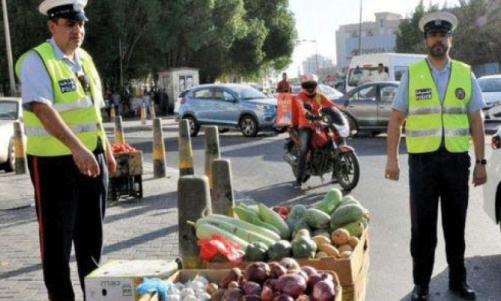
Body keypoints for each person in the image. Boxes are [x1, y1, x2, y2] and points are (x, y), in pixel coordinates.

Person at [15, 1, 116, 300]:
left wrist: (105, 149)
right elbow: (42, 109)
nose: (78, 30)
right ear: (52, 25)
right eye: (70, 24)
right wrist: (77, 148)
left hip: (91, 160)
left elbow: (92, 113)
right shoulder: (37, 60)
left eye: (81, 24)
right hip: (53, 165)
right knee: (57, 247)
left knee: (91, 242)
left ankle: (95, 296)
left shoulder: (84, 59)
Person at [385, 11, 485, 301]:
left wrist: (480, 162)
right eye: (433, 35)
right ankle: (422, 286)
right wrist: (391, 158)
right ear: (426, 40)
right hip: (422, 164)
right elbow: (395, 119)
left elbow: (476, 121)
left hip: (456, 162)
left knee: (456, 227)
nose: (438, 39)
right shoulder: (413, 74)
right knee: (422, 230)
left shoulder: (466, 73)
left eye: (443, 35)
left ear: (450, 40)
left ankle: (458, 282)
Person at [291, 73, 335, 188]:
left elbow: (331, 105)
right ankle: (299, 180)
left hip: (319, 124)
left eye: (312, 84)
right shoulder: (299, 97)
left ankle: (336, 173)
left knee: (333, 141)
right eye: (307, 85)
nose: (310, 87)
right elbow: (301, 108)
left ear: (316, 85)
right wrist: (308, 114)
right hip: (305, 126)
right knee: (304, 150)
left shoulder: (319, 96)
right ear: (303, 86)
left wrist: (342, 110)